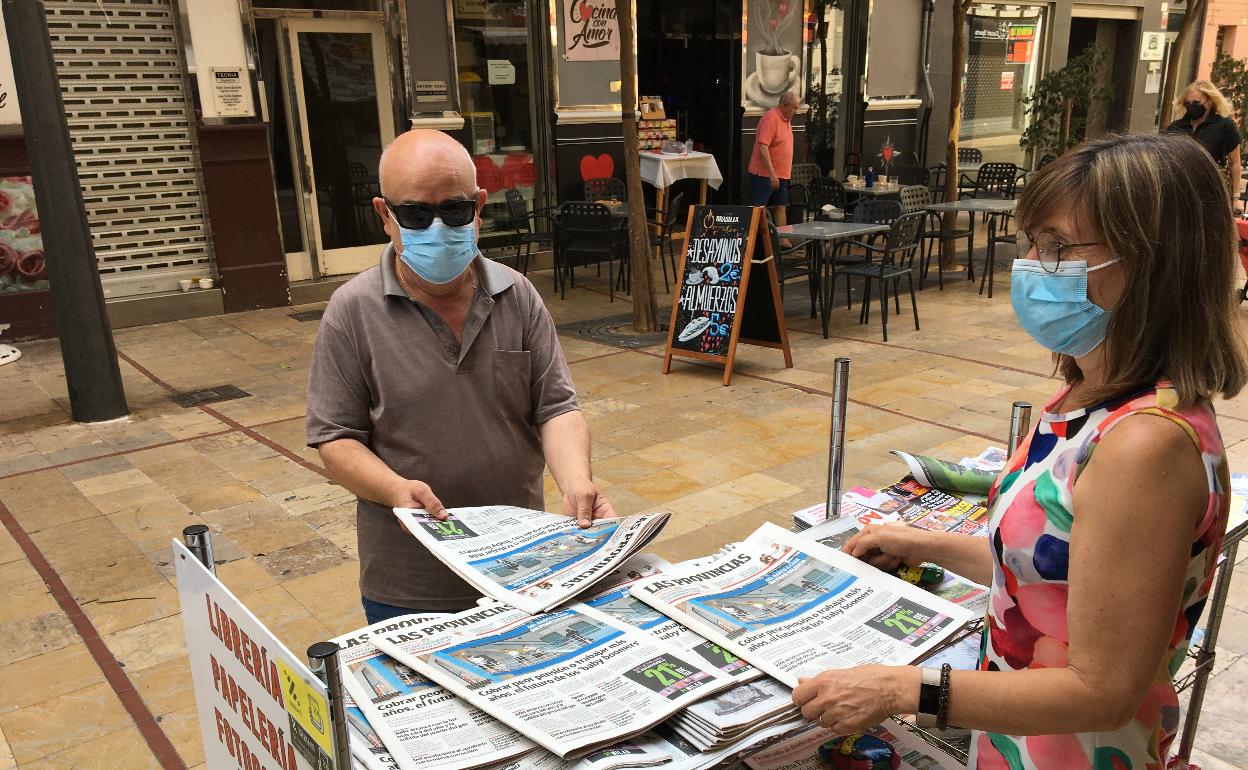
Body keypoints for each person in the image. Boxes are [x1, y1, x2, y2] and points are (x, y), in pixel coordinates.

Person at [792, 133, 1248, 768]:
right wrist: (921, 542)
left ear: (1150, 260)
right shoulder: (1088, 396)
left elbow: (1102, 689)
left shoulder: (1146, 446)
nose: (1030, 263)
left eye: (1057, 247)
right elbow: (1053, 575)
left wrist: (902, 689)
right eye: (1034, 241)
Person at [306, 130, 614, 624]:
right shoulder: (352, 312)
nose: (436, 227)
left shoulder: (518, 295)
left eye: (453, 210)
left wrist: (577, 482)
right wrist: (392, 489)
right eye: (415, 214)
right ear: (385, 215)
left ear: (479, 207)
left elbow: (555, 408)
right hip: (411, 583)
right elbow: (335, 439)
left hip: (521, 565)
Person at [1166, 80, 1243, 213]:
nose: (1191, 107)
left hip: (1210, 191)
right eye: (1187, 103)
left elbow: (1234, 163)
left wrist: (1235, 198)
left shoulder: (1224, 126)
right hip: (1179, 190)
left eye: (1196, 103)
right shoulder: (1176, 127)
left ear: (1210, 101)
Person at [748, 91, 799, 241]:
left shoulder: (786, 118)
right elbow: (763, 147)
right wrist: (772, 174)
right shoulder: (771, 118)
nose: (796, 111)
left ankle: (783, 240)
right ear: (785, 105)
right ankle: (755, 242)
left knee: (781, 206)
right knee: (759, 209)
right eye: (794, 107)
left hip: (782, 174)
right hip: (765, 174)